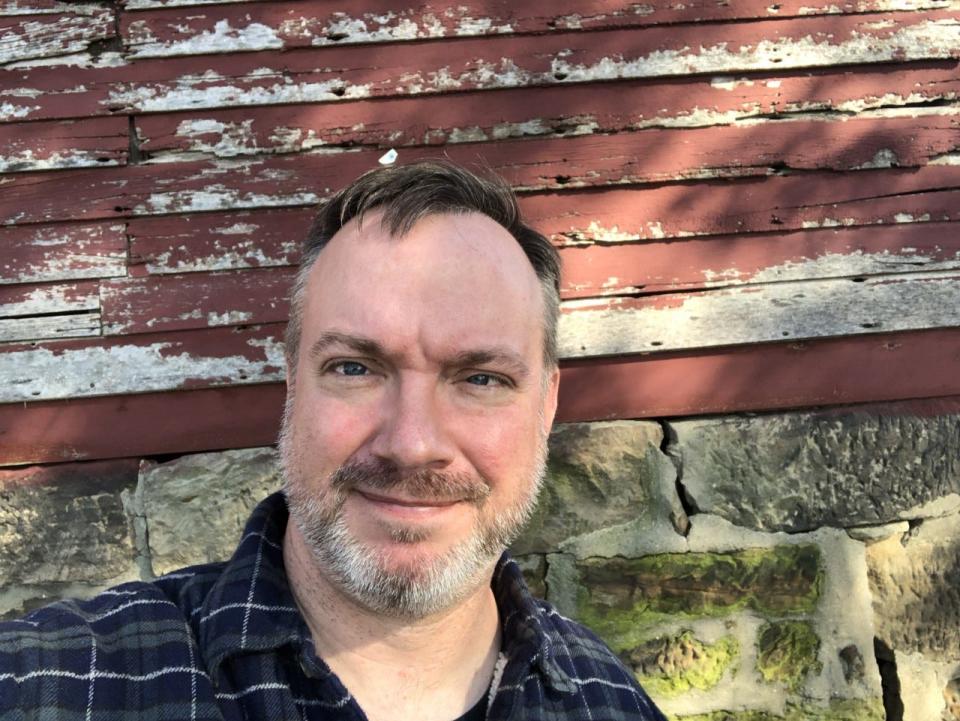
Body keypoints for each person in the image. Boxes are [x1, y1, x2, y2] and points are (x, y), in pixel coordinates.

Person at [0, 160, 666, 720]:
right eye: (355, 368)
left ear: (547, 403)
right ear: (293, 381)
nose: (412, 443)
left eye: (482, 378)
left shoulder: (611, 701)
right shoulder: (57, 682)